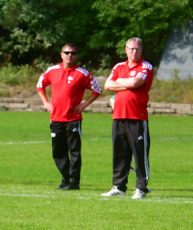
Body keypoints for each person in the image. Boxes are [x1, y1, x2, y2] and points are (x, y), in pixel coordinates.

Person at [37, 43, 103, 190]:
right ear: (61, 54)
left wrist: (84, 105)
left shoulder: (82, 73)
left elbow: (97, 88)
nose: (69, 55)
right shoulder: (52, 70)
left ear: (77, 56)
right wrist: (46, 102)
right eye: (66, 52)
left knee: (74, 152)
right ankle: (65, 179)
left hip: (73, 119)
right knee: (58, 152)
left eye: (73, 53)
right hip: (55, 118)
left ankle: (74, 182)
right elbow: (40, 84)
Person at [102, 37, 154, 200]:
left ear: (141, 50)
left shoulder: (146, 66)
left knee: (139, 154)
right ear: (126, 50)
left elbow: (135, 82)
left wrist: (120, 82)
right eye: (131, 49)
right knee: (120, 153)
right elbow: (107, 85)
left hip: (136, 117)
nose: (134, 52)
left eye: (137, 49)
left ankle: (141, 188)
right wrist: (127, 83)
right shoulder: (119, 66)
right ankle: (119, 186)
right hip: (118, 115)